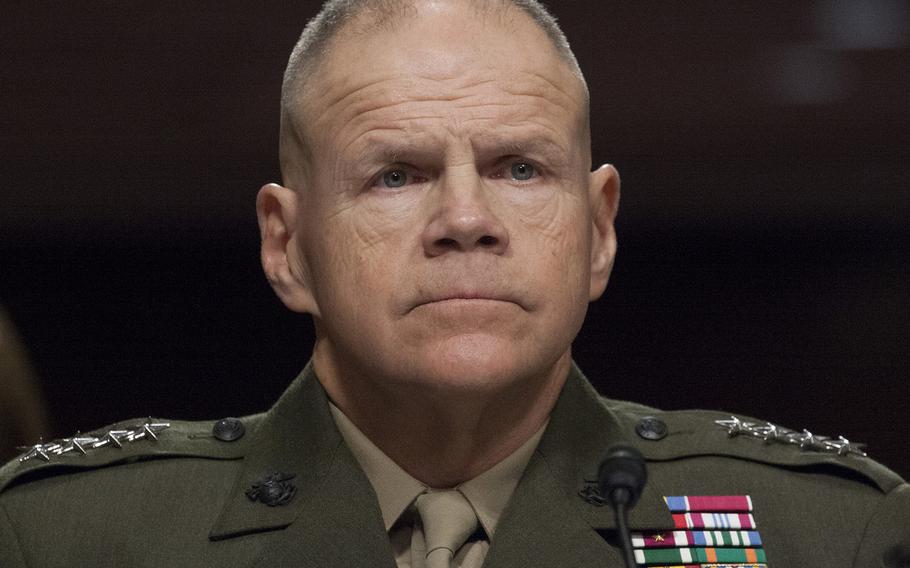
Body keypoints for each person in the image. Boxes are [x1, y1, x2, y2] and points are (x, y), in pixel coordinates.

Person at [1, 1, 907, 566]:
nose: (465, 219)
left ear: (597, 232)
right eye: (395, 175)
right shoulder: (72, 540)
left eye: (519, 168)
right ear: (287, 247)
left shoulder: (825, 539)